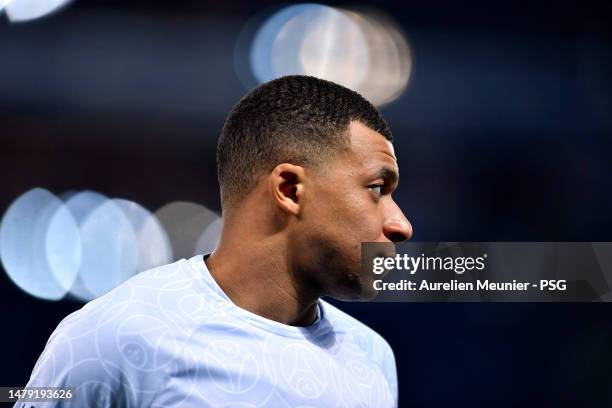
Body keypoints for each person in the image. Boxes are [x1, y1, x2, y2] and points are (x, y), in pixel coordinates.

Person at [19, 75, 412, 407]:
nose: (401, 225)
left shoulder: (372, 358)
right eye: (377, 188)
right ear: (290, 189)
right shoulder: (116, 336)